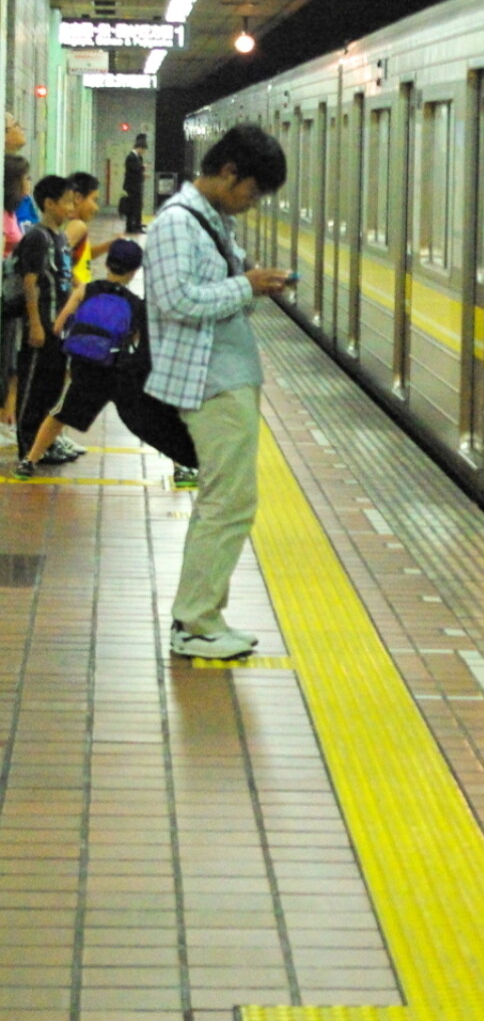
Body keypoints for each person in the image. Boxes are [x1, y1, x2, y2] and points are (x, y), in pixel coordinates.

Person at [143, 124, 289, 661]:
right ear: (229, 172)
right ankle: (194, 622)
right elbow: (174, 300)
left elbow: (212, 290)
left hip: (227, 372)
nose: (252, 204)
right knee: (227, 502)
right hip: (207, 378)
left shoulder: (212, 220)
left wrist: (250, 282)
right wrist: (244, 285)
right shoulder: (178, 223)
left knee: (229, 500)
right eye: (252, 192)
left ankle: (206, 615)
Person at [17, 238, 160, 477]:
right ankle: (180, 468)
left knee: (59, 414)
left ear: (107, 263)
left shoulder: (86, 290)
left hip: (84, 368)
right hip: (117, 369)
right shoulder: (136, 304)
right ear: (135, 270)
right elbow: (135, 340)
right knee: (151, 416)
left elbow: (59, 326)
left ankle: (29, 462)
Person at [14, 175, 82, 466]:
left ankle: (47, 443)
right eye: (66, 201)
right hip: (42, 324)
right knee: (34, 388)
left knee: (53, 386)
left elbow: (65, 276)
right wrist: (36, 323)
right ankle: (28, 445)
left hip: (60, 327)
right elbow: (30, 282)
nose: (71, 206)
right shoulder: (37, 237)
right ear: (49, 203)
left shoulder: (61, 237)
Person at [1, 155, 30, 430]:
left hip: (10, 295)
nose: (28, 183)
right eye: (25, 177)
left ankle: (5, 417)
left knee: (10, 357)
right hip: (4, 294)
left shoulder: (13, 211)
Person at [66, 172, 116, 288]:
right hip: (73, 299)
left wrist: (109, 245)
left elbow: (85, 254)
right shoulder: (77, 226)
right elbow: (57, 259)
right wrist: (81, 288)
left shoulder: (74, 225)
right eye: (94, 200)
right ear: (78, 198)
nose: (96, 207)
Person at [121, 133, 148, 234]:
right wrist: (143, 167)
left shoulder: (136, 157)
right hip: (132, 186)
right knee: (133, 206)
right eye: (144, 150)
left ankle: (136, 224)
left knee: (137, 206)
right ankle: (132, 226)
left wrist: (142, 175)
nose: (144, 152)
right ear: (140, 148)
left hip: (135, 185)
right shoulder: (131, 157)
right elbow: (134, 169)